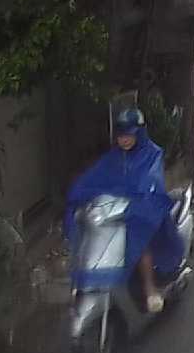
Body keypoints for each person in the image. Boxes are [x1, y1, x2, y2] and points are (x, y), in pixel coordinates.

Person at [63, 108, 181, 313]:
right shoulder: (113, 158)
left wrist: (141, 195)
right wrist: (78, 193)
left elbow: (152, 180)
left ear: (139, 133)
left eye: (129, 135)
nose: (124, 140)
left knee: (140, 239)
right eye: (121, 135)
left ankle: (150, 289)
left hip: (148, 212)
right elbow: (94, 178)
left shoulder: (152, 153)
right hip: (120, 211)